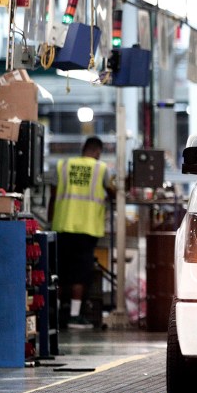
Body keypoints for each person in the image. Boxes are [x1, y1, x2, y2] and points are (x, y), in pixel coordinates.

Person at [49, 136, 116, 329]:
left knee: (59, 272)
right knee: (80, 274)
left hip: (62, 226)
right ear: (97, 152)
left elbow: (53, 197)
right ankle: (74, 316)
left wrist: (50, 221)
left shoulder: (63, 165)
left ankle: (55, 315)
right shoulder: (101, 169)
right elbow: (113, 192)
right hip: (86, 229)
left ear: (83, 149)